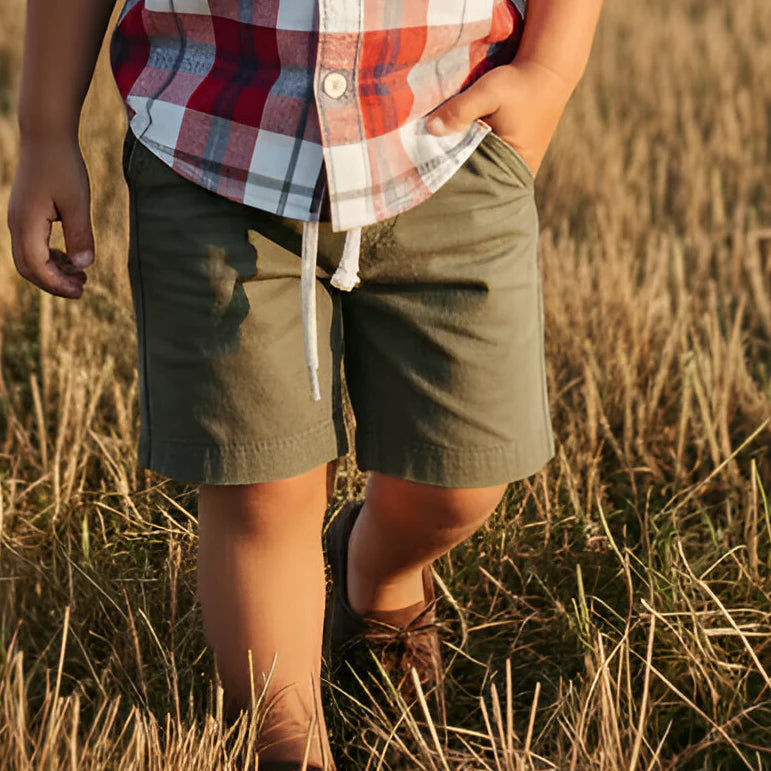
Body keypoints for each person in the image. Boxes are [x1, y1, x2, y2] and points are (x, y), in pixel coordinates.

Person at [7, 1, 604, 768]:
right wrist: (44, 130)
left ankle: (378, 571)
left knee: (462, 479)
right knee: (261, 482)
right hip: (213, 148)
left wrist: (547, 71)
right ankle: (286, 741)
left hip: (447, 135)